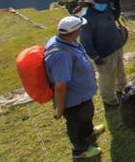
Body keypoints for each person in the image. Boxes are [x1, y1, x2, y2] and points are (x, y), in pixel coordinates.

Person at [44, 15, 104, 159]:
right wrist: (60, 107)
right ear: (75, 31)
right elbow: (60, 85)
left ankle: (89, 132)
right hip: (72, 99)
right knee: (75, 122)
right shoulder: (61, 55)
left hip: (81, 94)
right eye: (80, 28)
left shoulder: (68, 42)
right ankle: (80, 150)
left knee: (86, 113)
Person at [80, 0, 126, 107]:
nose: (104, 5)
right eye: (101, 3)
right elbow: (85, 40)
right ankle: (109, 99)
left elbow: (115, 16)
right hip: (104, 53)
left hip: (116, 45)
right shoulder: (86, 19)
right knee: (107, 77)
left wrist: (116, 1)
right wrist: (94, 55)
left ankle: (122, 89)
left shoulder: (105, 8)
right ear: (92, 2)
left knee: (120, 70)